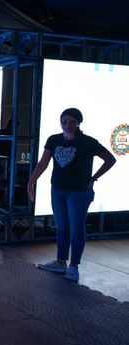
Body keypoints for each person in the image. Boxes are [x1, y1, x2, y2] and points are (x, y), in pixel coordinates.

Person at [27, 108, 116, 282]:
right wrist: (31, 181)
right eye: (64, 121)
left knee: (76, 229)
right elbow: (43, 163)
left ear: (78, 123)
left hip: (79, 192)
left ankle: (74, 266)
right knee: (61, 227)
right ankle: (61, 262)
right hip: (57, 190)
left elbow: (110, 159)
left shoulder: (88, 142)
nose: (67, 124)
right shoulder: (53, 140)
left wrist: (94, 178)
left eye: (71, 121)